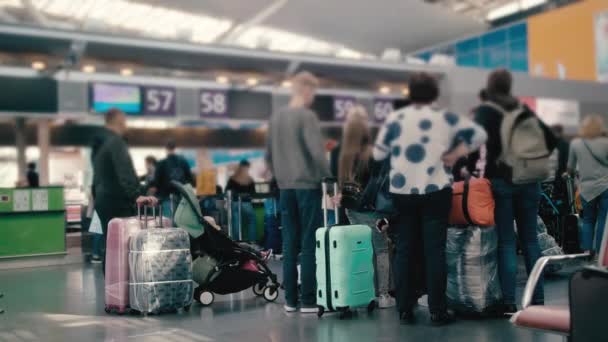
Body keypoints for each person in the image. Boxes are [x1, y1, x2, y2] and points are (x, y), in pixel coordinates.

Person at [373, 72, 486, 325]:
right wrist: (455, 152)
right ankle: (437, 310)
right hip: (436, 190)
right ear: (434, 93)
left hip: (403, 192)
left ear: (411, 93)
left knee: (404, 249)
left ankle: (404, 308)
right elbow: (478, 134)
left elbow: (378, 154)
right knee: (434, 251)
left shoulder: (396, 118)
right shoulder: (444, 116)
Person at [472, 69, 545, 315]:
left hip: (503, 182)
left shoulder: (486, 111)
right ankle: (538, 297)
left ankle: (509, 302)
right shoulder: (523, 109)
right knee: (532, 241)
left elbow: (475, 145)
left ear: (490, 87)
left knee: (506, 242)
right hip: (531, 180)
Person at [266, 71, 331, 314]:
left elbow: (269, 154)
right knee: (308, 244)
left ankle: (290, 300)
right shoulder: (306, 116)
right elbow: (316, 152)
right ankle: (308, 300)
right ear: (305, 90)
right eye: (312, 91)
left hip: (285, 188)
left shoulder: (277, 118)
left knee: (289, 244)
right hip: (307, 186)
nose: (312, 96)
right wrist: (330, 179)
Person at [337, 105, 395, 309]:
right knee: (381, 250)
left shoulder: (342, 154)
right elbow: (382, 181)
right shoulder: (373, 152)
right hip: (372, 209)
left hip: (350, 209)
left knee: (360, 249)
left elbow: (341, 183)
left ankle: (363, 290)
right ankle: (384, 295)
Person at [93, 108, 157, 271]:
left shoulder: (100, 145)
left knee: (111, 245)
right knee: (124, 244)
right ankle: (123, 287)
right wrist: (137, 195)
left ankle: (113, 287)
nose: (126, 126)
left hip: (103, 200)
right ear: (119, 122)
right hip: (117, 201)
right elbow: (125, 173)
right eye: (125, 122)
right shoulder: (116, 142)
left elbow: (97, 179)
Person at [567, 115, 608, 254]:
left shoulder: (576, 143)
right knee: (603, 220)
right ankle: (600, 253)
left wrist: (569, 174)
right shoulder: (606, 142)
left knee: (588, 220)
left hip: (586, 188)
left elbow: (570, 167)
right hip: (605, 186)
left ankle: (586, 251)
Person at [151, 140, 194, 220]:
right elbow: (190, 179)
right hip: (182, 196)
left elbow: (156, 182)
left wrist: (156, 193)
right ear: (175, 148)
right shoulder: (183, 162)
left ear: (166, 149)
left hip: (166, 197)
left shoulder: (161, 163)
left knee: (168, 221)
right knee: (181, 220)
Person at [225, 160, 258, 242]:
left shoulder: (232, 178)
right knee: (252, 220)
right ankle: (252, 241)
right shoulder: (249, 179)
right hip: (246, 203)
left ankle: (237, 242)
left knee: (236, 222)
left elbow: (227, 191)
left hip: (234, 202)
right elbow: (253, 193)